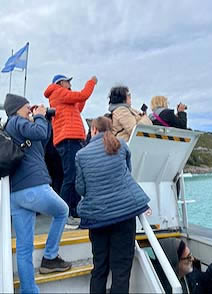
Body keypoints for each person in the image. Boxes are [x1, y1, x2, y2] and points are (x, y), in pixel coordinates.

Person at [4, 94, 71, 294]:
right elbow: (40, 133)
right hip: (33, 188)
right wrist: (40, 115)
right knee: (62, 211)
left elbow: (42, 139)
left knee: (24, 249)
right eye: (27, 108)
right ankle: (50, 256)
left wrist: (44, 119)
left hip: (16, 194)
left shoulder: (15, 128)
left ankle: (29, 290)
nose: (30, 111)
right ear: (17, 109)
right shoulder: (17, 121)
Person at [75, 116, 151, 294]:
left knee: (100, 268)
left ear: (93, 129)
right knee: (121, 271)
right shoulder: (121, 145)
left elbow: (81, 188)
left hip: (97, 218)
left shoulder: (81, 154)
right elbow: (127, 172)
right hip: (124, 215)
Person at [44, 74, 97, 226]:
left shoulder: (63, 97)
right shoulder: (58, 92)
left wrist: (83, 96)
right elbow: (82, 94)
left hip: (71, 138)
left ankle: (73, 211)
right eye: (68, 81)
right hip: (68, 139)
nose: (69, 83)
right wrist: (91, 82)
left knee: (74, 176)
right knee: (70, 176)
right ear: (61, 82)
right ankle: (63, 213)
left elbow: (78, 105)